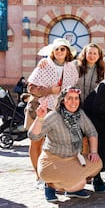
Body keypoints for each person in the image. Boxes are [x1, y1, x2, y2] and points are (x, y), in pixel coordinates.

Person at [28, 86, 102, 202]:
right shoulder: (54, 116)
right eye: (69, 98)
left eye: (76, 98)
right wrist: (39, 118)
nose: (73, 102)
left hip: (72, 159)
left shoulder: (80, 114)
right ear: (63, 100)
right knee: (80, 182)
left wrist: (93, 152)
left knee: (97, 164)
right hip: (52, 161)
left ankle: (72, 188)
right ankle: (50, 186)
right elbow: (33, 136)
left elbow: (92, 132)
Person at [26, 38, 79, 189]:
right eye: (57, 49)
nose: (59, 52)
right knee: (36, 142)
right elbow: (31, 88)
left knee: (53, 145)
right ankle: (38, 176)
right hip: (41, 108)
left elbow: (73, 86)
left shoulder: (71, 68)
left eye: (63, 49)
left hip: (60, 110)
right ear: (52, 51)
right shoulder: (44, 65)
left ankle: (52, 176)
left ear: (67, 52)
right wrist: (50, 90)